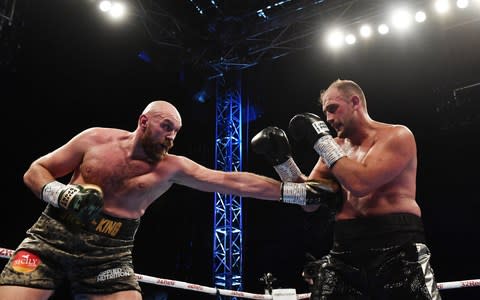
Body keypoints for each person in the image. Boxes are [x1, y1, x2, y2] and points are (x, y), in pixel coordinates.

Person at [0, 100, 338, 300]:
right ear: (143, 122)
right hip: (49, 239)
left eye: (176, 131)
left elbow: (231, 181)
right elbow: (36, 170)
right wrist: (62, 193)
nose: (171, 137)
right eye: (165, 127)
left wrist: (296, 192)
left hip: (108, 257)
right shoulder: (95, 140)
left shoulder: (170, 168)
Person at [286, 79, 442, 299]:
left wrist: (322, 141)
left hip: (397, 245)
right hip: (345, 247)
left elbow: (361, 184)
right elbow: (308, 201)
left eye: (333, 108)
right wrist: (283, 163)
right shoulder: (335, 147)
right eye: (325, 112)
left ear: (355, 102)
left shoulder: (397, 135)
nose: (328, 119)